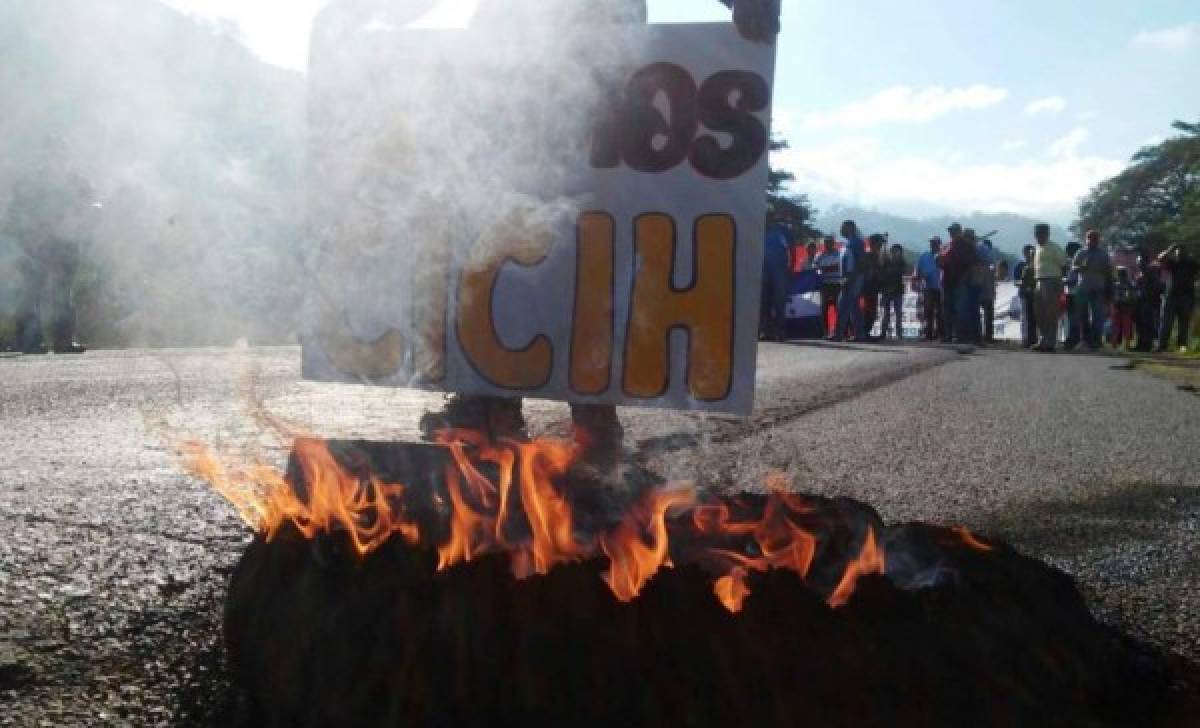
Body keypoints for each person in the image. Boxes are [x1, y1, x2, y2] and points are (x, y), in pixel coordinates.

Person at [414, 0, 783, 465]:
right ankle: (489, 408)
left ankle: (590, 422)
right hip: (509, 72)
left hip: (604, 80)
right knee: (500, 238)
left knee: (595, 243)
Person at [3, 136, 95, 355]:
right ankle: (29, 341)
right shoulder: (28, 183)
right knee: (31, 292)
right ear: (42, 157)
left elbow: (91, 205)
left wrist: (87, 215)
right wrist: (25, 238)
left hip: (66, 243)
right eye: (50, 154)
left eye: (59, 154)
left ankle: (64, 341)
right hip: (33, 245)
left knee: (63, 294)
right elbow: (14, 214)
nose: (55, 159)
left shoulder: (76, 182)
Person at [1071, 230, 1113, 350]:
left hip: (1098, 288)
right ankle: (1085, 341)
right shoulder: (1081, 252)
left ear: (1098, 240)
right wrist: (1080, 267)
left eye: (1094, 238)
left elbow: (1109, 272)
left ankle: (1097, 341)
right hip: (1083, 288)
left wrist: (1109, 290)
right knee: (1083, 315)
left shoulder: (1104, 254)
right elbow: (1073, 267)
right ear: (1086, 239)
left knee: (1097, 316)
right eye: (1089, 238)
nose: (1091, 240)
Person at [1156, 244, 1198, 353]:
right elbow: (1160, 258)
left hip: (1186, 296)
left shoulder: (1191, 264)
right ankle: (1162, 345)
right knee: (1166, 322)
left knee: (1184, 323)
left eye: (1181, 252)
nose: (1179, 254)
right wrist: (1169, 249)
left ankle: (1182, 346)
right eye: (1178, 253)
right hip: (1171, 296)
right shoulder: (1173, 264)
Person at [1032, 223, 1067, 352]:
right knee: (1039, 312)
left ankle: (1050, 342)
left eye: (1041, 234)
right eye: (1037, 234)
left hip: (1052, 280)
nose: (1038, 236)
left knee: (1051, 313)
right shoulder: (1037, 248)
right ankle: (1042, 339)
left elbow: (1063, 263)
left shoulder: (1054, 247)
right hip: (1039, 280)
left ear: (1047, 234)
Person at [760, 216, 793, 341]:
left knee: (779, 302)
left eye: (769, 214)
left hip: (779, 270)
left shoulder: (783, 230)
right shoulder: (758, 226)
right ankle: (765, 331)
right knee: (764, 301)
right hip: (763, 270)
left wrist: (791, 267)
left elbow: (791, 248)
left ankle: (780, 332)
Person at [938, 223, 972, 343]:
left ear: (959, 232)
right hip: (947, 281)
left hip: (959, 281)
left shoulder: (966, 246)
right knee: (947, 310)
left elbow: (969, 262)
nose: (952, 233)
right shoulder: (947, 246)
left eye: (954, 231)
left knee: (959, 310)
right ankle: (948, 335)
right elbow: (940, 262)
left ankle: (960, 335)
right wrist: (941, 259)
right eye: (951, 231)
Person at [833, 220, 865, 341]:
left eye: (843, 227)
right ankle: (859, 334)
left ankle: (839, 334)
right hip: (848, 278)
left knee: (844, 305)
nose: (841, 229)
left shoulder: (856, 243)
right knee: (853, 307)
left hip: (852, 278)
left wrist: (850, 278)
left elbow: (858, 263)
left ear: (850, 228)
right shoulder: (848, 243)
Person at [914, 237, 943, 341]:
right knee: (928, 311)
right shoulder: (924, 256)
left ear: (939, 244)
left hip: (940, 288)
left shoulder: (943, 256)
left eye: (935, 243)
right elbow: (918, 270)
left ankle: (940, 333)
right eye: (932, 243)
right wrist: (917, 278)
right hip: (928, 287)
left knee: (940, 312)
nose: (933, 245)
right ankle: (928, 333)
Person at [814, 236, 843, 339]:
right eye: (826, 243)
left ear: (833, 243)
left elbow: (839, 267)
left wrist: (825, 269)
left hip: (836, 284)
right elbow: (815, 268)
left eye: (829, 242)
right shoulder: (819, 255)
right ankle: (825, 332)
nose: (827, 244)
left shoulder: (839, 254)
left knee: (838, 308)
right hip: (825, 284)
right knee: (824, 309)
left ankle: (837, 332)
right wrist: (821, 270)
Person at [1133, 253, 1162, 352]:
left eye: (1141, 261)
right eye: (1138, 261)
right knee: (1139, 324)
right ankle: (1140, 344)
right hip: (1139, 301)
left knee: (1147, 324)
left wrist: (1151, 297)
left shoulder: (1151, 272)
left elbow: (1157, 286)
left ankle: (1147, 345)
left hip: (1148, 302)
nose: (1139, 263)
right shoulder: (1140, 273)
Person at [860, 234, 885, 340]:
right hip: (868, 287)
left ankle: (865, 332)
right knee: (868, 311)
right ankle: (864, 333)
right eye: (879, 242)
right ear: (873, 243)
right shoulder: (870, 255)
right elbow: (871, 272)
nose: (881, 245)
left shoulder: (876, 254)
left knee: (871, 311)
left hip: (872, 287)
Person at [879, 243, 906, 340]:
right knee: (886, 313)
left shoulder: (901, 263)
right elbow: (882, 275)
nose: (894, 253)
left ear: (900, 253)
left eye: (897, 251)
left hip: (897, 291)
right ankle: (883, 333)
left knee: (898, 313)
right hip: (887, 291)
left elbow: (899, 272)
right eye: (893, 251)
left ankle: (899, 333)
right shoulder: (886, 262)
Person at [1014, 244, 1038, 348]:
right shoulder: (1021, 266)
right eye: (1027, 252)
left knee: (1034, 317)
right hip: (1024, 294)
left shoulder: (1038, 266)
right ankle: (1025, 337)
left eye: (1031, 253)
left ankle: (1033, 338)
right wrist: (1024, 284)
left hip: (1036, 295)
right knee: (1024, 317)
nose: (1029, 254)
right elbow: (1017, 280)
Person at [1061, 241, 1082, 349]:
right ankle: (1072, 338)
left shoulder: (1077, 264)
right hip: (1070, 293)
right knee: (1070, 318)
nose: (1067, 252)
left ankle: (1074, 339)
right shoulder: (1070, 263)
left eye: (1068, 250)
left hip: (1075, 293)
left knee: (1074, 318)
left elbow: (1072, 280)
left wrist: (1064, 281)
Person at [976, 238, 998, 343]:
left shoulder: (986, 263)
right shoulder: (990, 263)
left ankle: (983, 335)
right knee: (987, 314)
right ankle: (987, 336)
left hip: (983, 290)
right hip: (985, 290)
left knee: (983, 314)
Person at [1110, 267, 1136, 349]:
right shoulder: (1130, 284)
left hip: (1118, 306)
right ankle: (1126, 345)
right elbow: (1132, 297)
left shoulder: (1116, 285)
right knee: (1126, 327)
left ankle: (1114, 344)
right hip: (1126, 307)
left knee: (1116, 326)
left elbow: (1114, 296)